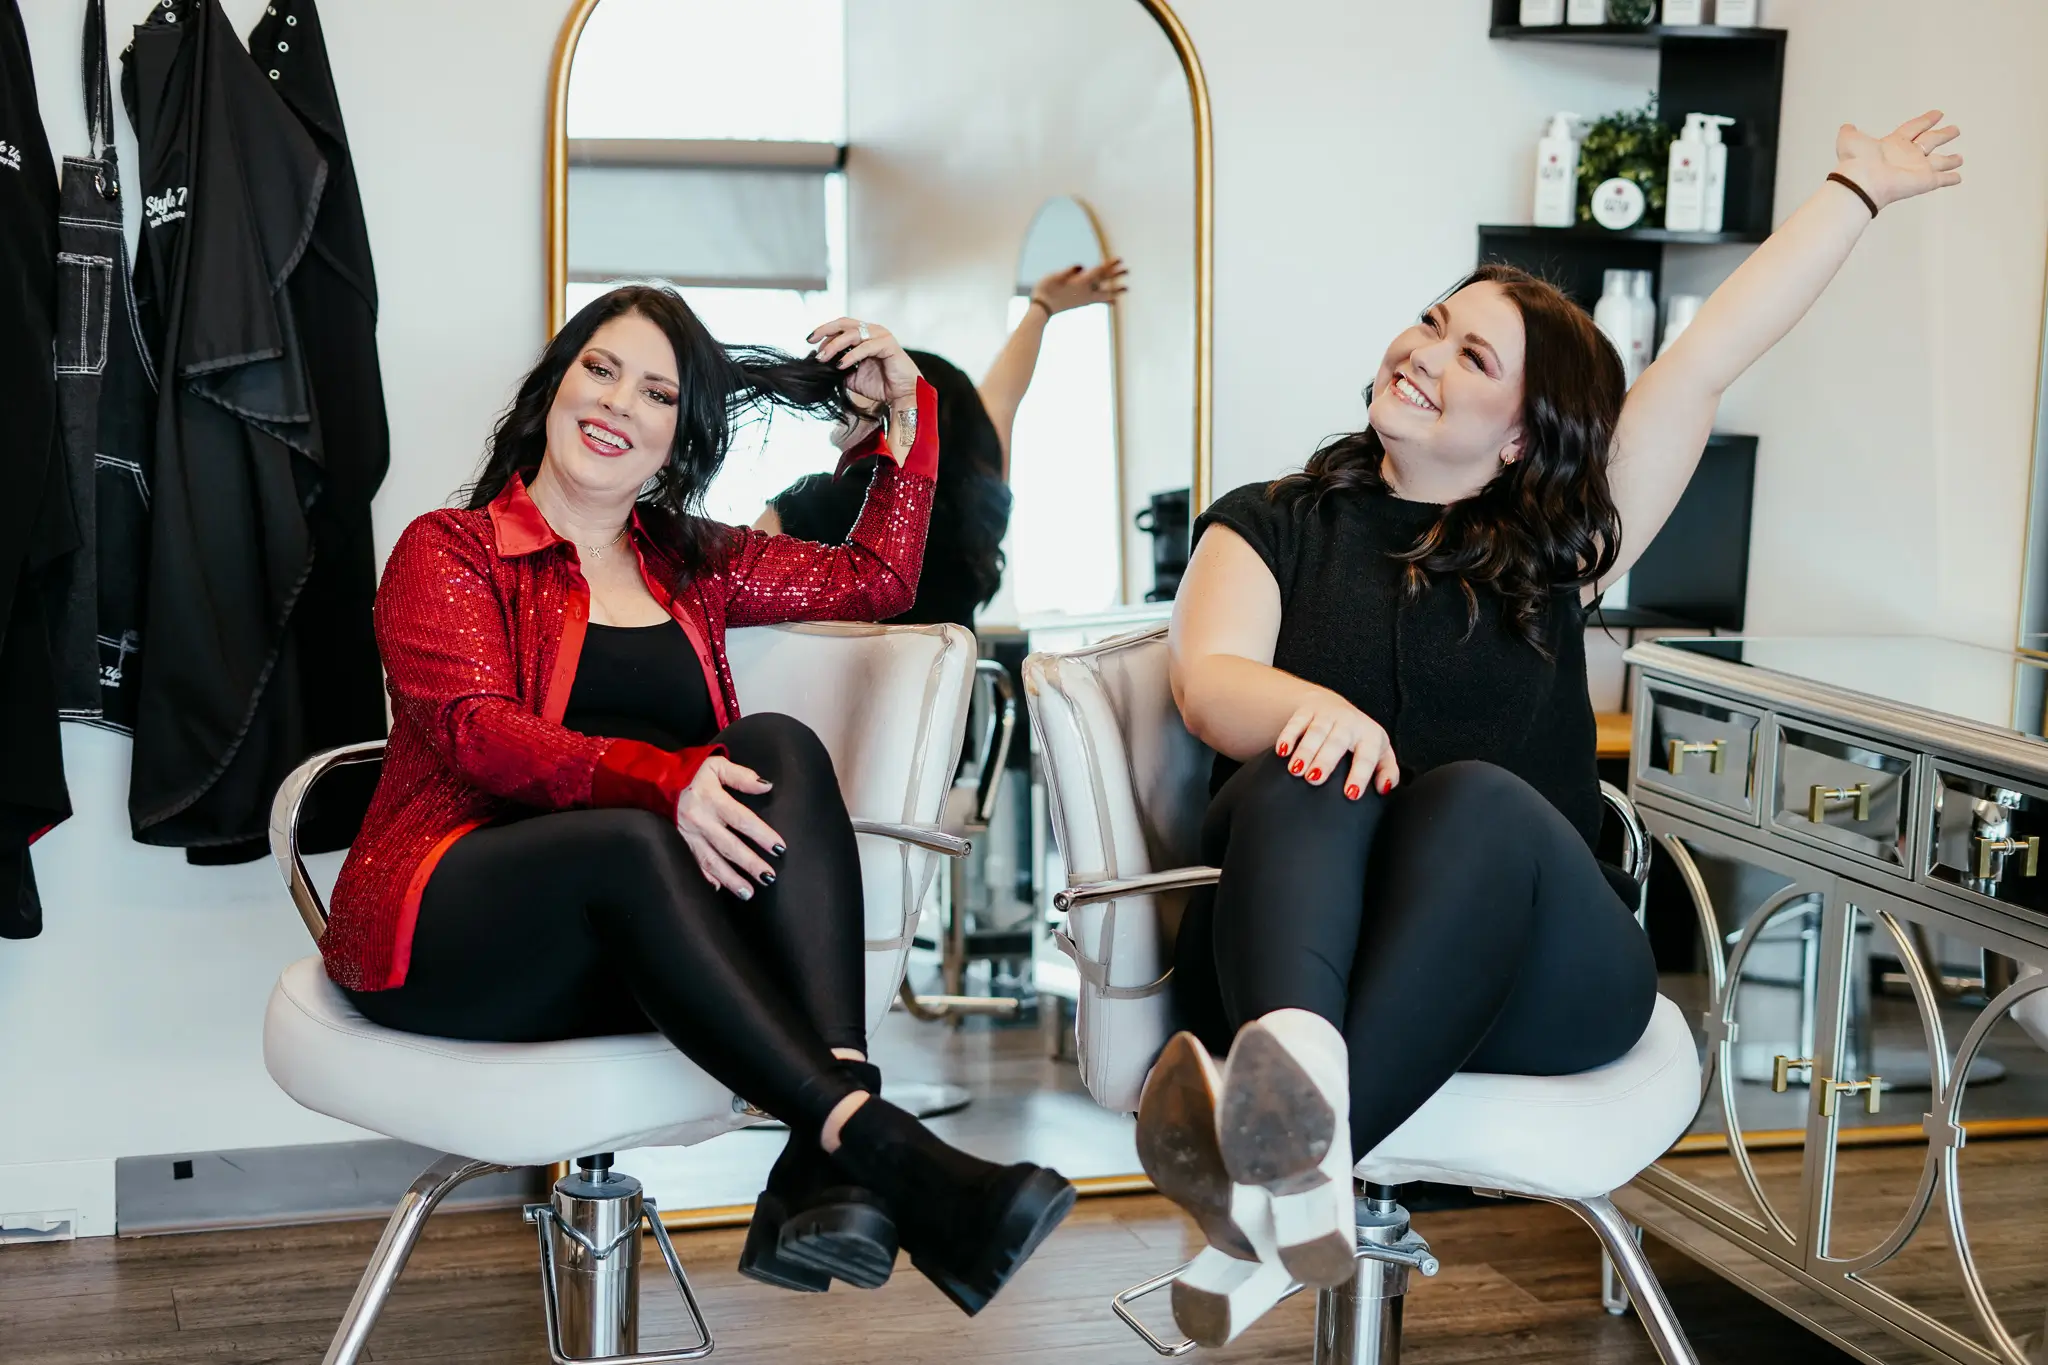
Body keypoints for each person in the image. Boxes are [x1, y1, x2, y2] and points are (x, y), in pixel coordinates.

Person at [1138, 112, 1964, 1346]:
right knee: (1298, 768)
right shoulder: (1266, 523)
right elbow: (1209, 682)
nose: (1424, 352)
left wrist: (1854, 188)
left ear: (1520, 434)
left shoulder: (1553, 554)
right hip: (1284, 964)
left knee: (1471, 800)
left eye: (1472, 357)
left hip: (1540, 973)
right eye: (1431, 322)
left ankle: (1266, 1179)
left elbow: (1701, 360)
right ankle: (1287, 1150)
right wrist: (1314, 710)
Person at [320, 285, 1074, 1314]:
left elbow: (875, 580)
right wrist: (663, 781)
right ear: (552, 387)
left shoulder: (691, 560)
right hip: (445, 932)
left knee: (777, 748)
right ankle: (879, 1143)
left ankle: (825, 1158)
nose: (620, 402)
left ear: (679, 435)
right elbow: (474, 733)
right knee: (626, 840)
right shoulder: (450, 550)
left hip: (635, 940)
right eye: (600, 369)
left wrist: (906, 416)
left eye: (658, 392)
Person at [757, 260, 1128, 628]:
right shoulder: (976, 509)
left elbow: (735, 609)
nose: (849, 390)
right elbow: (1001, 400)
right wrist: (1041, 308)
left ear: (894, 406)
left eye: (871, 380)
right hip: (946, 689)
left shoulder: (807, 503)